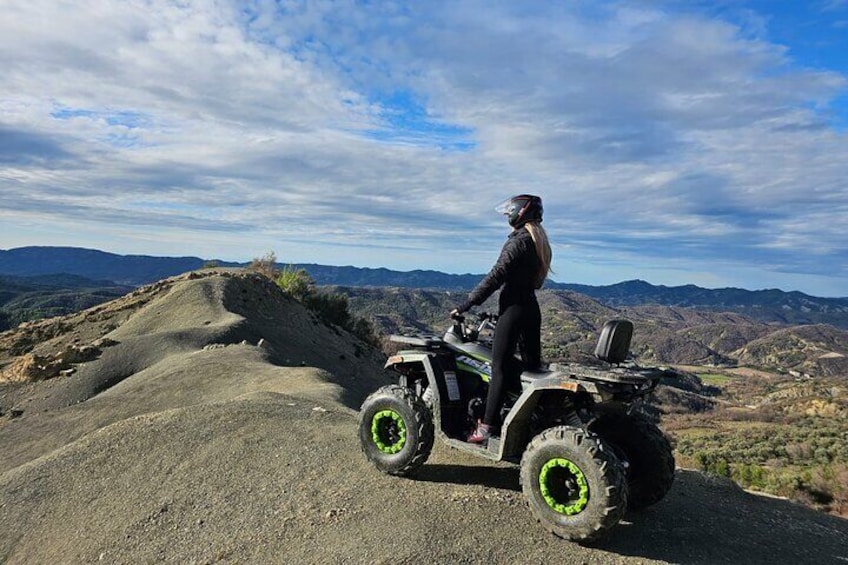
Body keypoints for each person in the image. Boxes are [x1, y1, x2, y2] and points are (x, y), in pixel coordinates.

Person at [450, 194, 552, 443]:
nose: (507, 215)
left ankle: (485, 428)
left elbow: (496, 277)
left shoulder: (518, 242)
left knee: (499, 368)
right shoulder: (537, 241)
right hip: (530, 309)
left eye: (510, 212)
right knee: (531, 370)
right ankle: (531, 421)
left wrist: (466, 304)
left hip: (514, 309)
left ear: (520, 212)